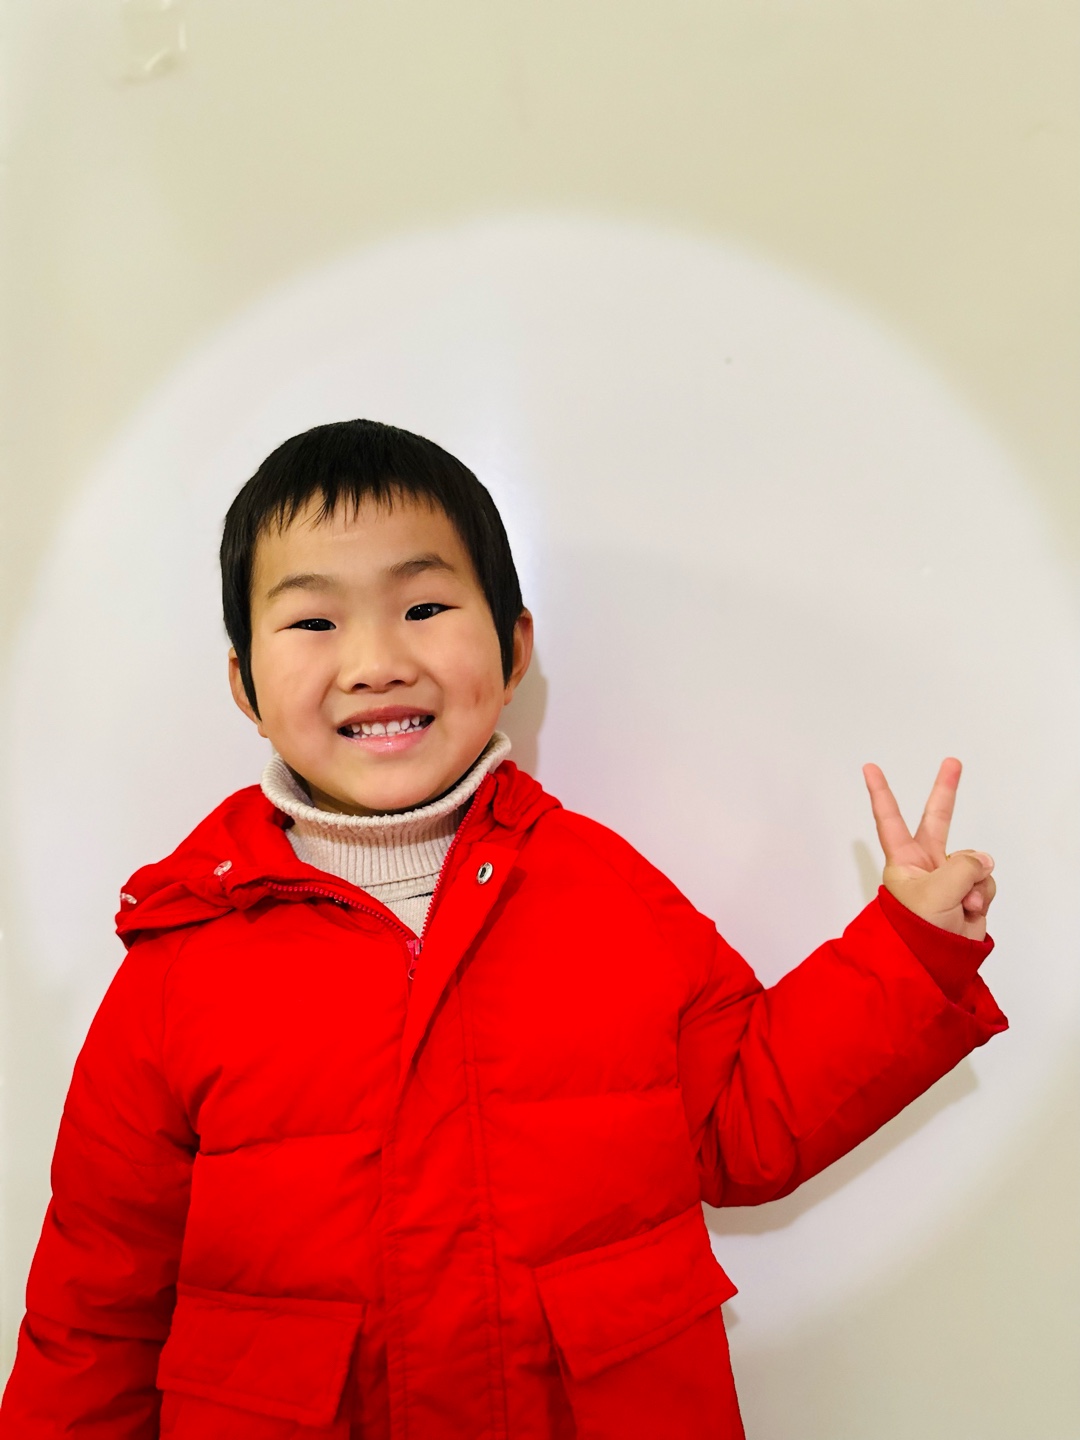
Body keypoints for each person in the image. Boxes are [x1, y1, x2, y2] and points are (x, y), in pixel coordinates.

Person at [0, 419, 1005, 1439]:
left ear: (514, 649)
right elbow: (94, 1310)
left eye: (424, 607)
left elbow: (745, 1123)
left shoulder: (601, 891)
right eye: (313, 621)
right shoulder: (185, 952)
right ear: (244, 687)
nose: (376, 662)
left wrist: (911, 949)